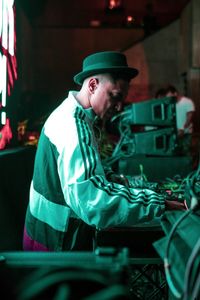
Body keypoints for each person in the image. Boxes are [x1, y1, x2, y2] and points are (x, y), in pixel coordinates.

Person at [23, 51, 186, 252]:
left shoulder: (73, 115)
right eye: (115, 97)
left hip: (49, 234)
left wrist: (121, 182)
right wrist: (160, 203)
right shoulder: (72, 125)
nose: (118, 108)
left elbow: (86, 174)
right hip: (54, 243)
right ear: (92, 85)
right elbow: (92, 199)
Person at [165, 85, 195, 155]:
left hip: (186, 133)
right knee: (176, 153)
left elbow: (189, 118)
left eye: (171, 96)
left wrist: (182, 129)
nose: (170, 99)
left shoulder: (187, 102)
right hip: (176, 133)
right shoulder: (171, 104)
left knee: (186, 152)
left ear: (175, 93)